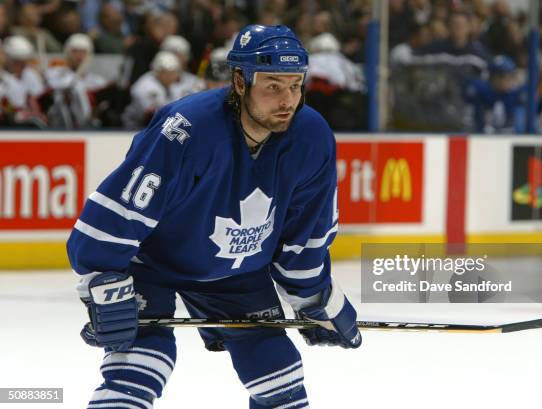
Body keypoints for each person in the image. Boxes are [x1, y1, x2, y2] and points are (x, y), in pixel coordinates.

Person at [66, 24, 361, 409]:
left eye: (295, 85)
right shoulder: (186, 128)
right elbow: (119, 211)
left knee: (280, 376)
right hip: (151, 263)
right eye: (272, 85)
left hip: (236, 271)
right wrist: (103, 280)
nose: (287, 99)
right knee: (138, 366)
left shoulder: (312, 136)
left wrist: (316, 297)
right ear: (240, 82)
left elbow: (306, 232)